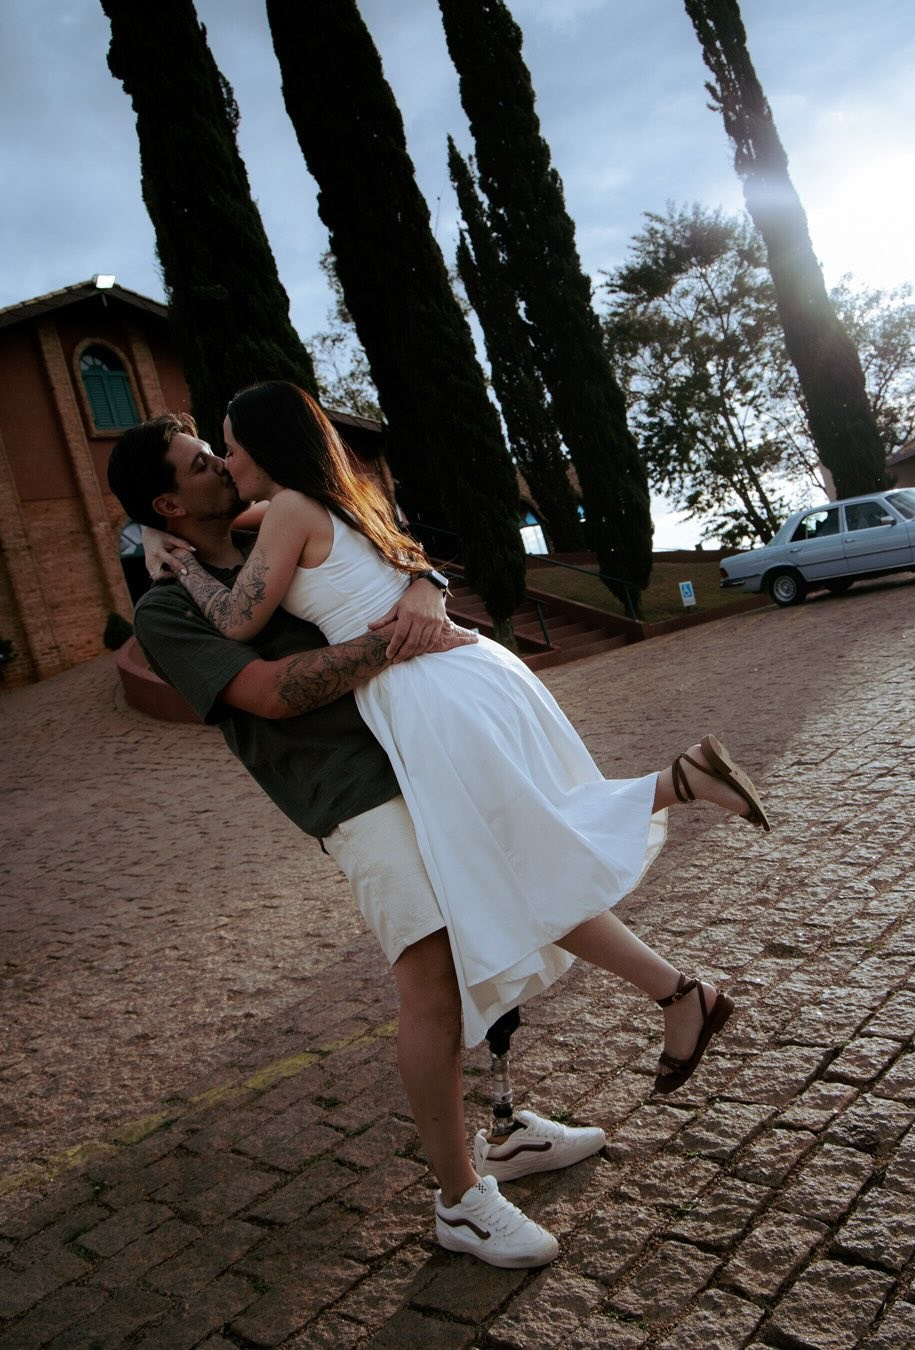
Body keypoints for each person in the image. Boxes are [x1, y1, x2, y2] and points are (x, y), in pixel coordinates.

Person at [109, 413, 609, 1270]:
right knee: (430, 976)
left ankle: (507, 1126)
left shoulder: (271, 527)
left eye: (219, 449)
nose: (222, 465)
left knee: (498, 923)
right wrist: (393, 637)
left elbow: (383, 549)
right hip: (352, 796)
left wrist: (421, 587)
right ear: (166, 500)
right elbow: (268, 693)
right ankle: (460, 1201)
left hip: (420, 756)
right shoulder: (166, 608)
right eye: (200, 463)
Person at [155, 383, 769, 1077]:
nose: (227, 463)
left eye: (231, 449)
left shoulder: (291, 509)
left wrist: (179, 565)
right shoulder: (330, 495)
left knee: (517, 846)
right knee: (515, 858)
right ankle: (681, 990)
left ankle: (680, 784)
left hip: (424, 692)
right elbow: (268, 523)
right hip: (461, 673)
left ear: (265, 448)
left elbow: (237, 619)